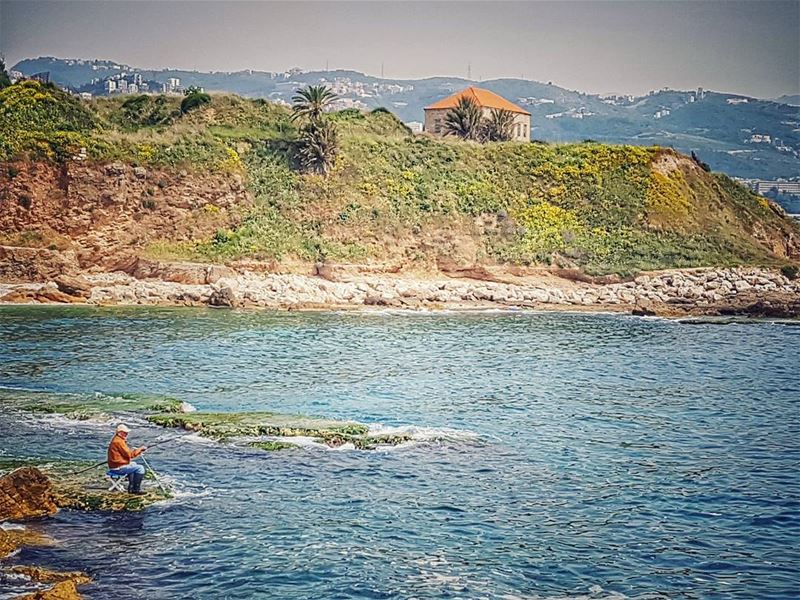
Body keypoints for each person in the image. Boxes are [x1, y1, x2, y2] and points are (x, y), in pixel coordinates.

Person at [107, 424, 148, 494]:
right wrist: (140, 449)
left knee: (133, 464)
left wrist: (137, 450)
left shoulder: (117, 439)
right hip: (118, 468)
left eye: (126, 432)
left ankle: (131, 487)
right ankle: (136, 490)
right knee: (140, 468)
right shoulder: (119, 442)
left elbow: (126, 453)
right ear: (119, 432)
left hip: (115, 465)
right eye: (125, 432)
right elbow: (130, 455)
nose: (126, 434)